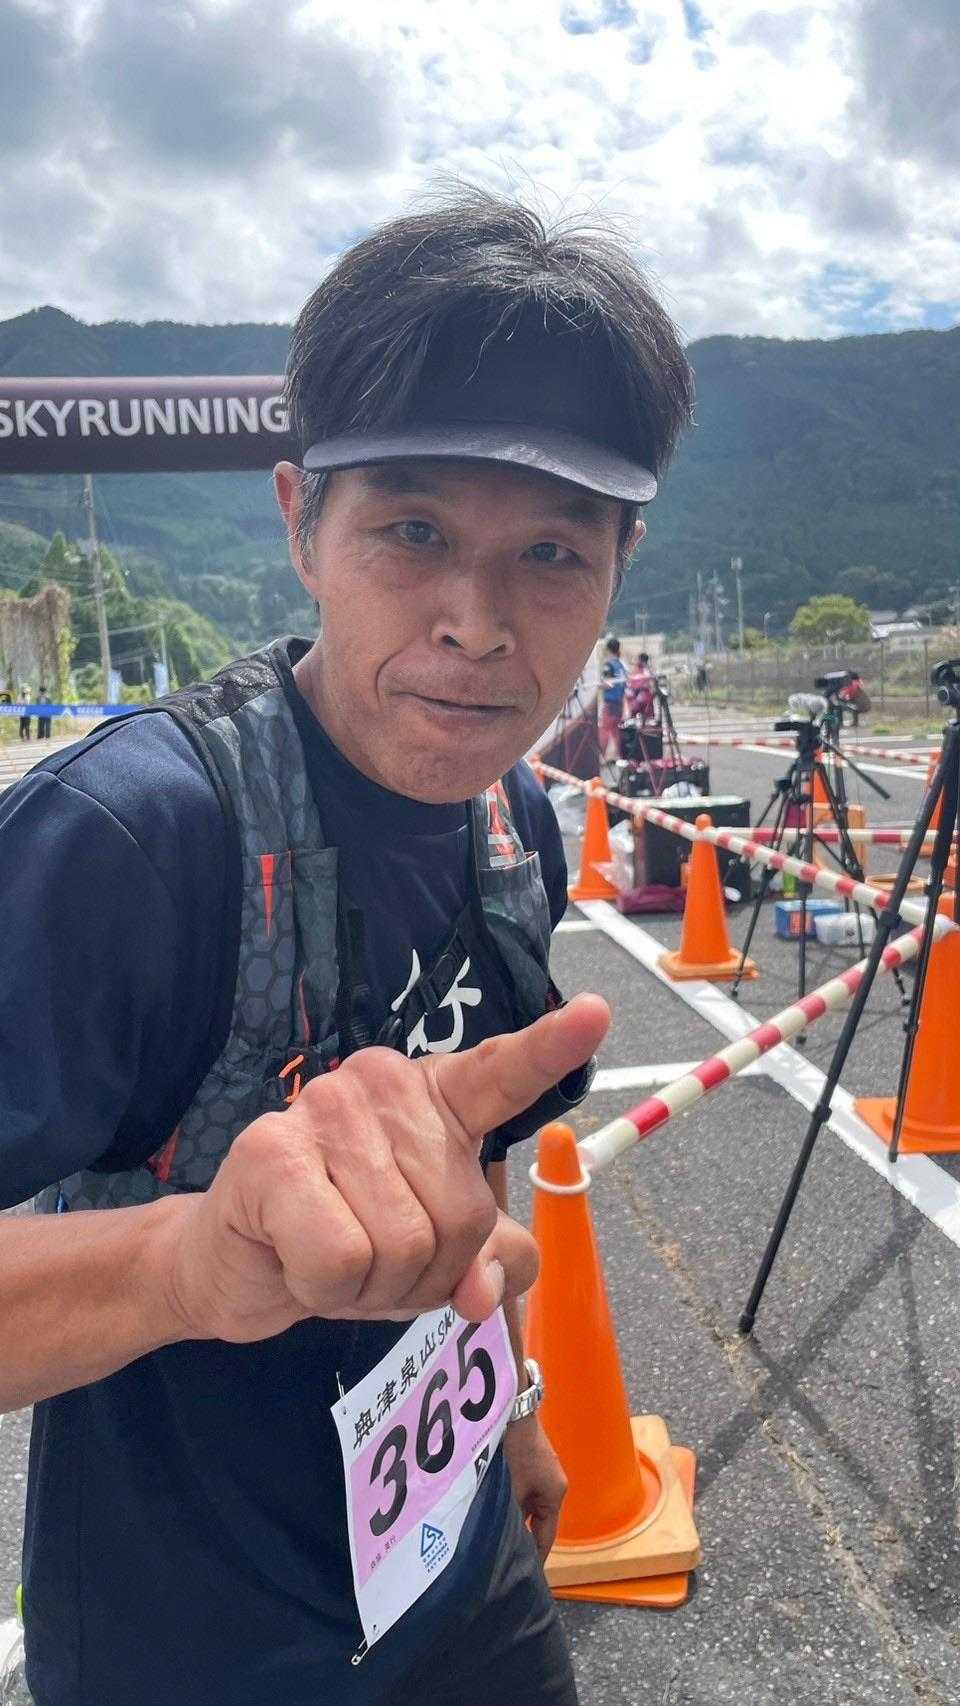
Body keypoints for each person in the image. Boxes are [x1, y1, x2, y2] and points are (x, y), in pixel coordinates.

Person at [0, 191, 692, 1706]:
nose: (478, 622)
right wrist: (188, 1257)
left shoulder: (512, 815)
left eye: (552, 553)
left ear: (620, 564)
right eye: (415, 530)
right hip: (194, 1646)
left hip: (462, 1568)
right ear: (300, 519)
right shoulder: (131, 837)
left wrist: (515, 1405)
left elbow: (476, 1156)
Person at [598, 635, 628, 756]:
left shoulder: (608, 665)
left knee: (604, 730)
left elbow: (607, 684)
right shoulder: (621, 665)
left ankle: (602, 757)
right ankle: (618, 756)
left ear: (608, 649)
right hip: (619, 703)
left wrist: (598, 685)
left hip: (610, 702)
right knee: (616, 731)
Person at [626, 650, 655, 722]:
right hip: (635, 692)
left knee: (641, 702)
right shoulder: (637, 668)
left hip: (643, 693)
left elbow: (649, 681)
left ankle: (645, 718)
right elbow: (630, 680)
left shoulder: (646, 669)